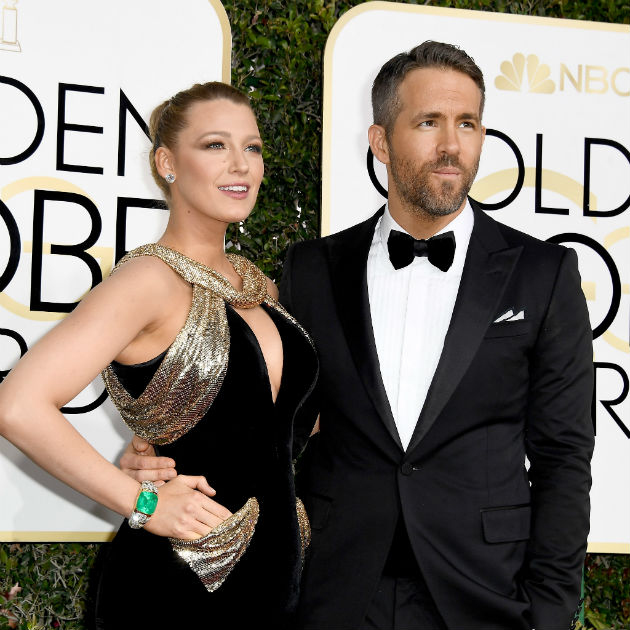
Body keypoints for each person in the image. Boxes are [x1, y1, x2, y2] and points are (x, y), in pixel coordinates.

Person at [122, 42, 594, 630]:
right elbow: (272, 424)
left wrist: (550, 612)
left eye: (468, 123)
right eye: (428, 122)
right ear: (380, 142)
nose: (452, 145)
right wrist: (166, 452)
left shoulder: (542, 273)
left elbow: (564, 455)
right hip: (333, 588)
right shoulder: (311, 270)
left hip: (483, 595)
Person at [0, 82, 318, 629]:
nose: (241, 164)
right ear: (167, 163)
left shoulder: (258, 286)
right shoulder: (148, 280)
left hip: (274, 584)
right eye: (215, 145)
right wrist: (141, 503)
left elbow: (280, 429)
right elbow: (18, 406)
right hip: (172, 588)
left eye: (253, 147)